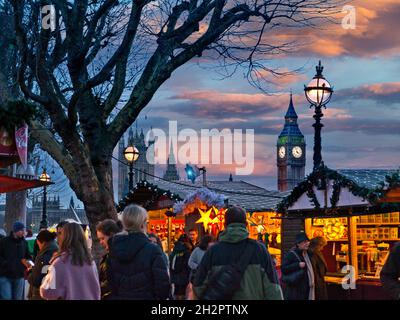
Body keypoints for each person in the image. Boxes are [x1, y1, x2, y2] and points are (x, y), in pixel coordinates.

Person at [193, 206, 283, 300]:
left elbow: (198, 286)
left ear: (225, 225)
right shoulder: (259, 250)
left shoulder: (213, 251)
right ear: (246, 224)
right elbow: (273, 289)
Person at [107, 204, 170, 300]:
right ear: (142, 224)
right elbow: (162, 285)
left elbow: (111, 283)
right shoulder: (153, 250)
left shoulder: (114, 249)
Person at [40, 222, 100, 300]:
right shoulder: (90, 262)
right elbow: (96, 291)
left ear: (65, 238)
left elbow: (47, 292)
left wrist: (47, 278)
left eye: (60, 234)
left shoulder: (60, 262)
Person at [0, 221, 32, 300]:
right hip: (5, 275)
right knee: (6, 297)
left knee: (17, 298)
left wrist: (28, 262)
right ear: (16, 231)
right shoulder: (4, 241)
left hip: (19, 275)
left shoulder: (24, 243)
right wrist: (6, 265)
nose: (24, 232)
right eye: (22, 230)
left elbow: (27, 256)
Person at [281, 231, 315, 300]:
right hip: (295, 291)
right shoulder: (291, 254)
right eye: (304, 242)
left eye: (308, 241)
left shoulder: (308, 254)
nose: (307, 243)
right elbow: (284, 269)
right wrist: (297, 265)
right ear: (298, 244)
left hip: (307, 290)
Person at [27, 230, 58, 300]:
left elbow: (36, 280)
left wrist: (30, 272)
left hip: (41, 294)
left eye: (38, 244)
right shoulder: (58, 251)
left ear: (42, 242)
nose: (39, 247)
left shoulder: (43, 256)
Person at [96, 219, 121, 300]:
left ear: (111, 235)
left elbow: (110, 283)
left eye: (102, 238)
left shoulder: (116, 256)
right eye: (99, 239)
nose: (101, 242)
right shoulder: (107, 256)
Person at [170, 234, 192, 300]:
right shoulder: (187, 251)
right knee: (183, 293)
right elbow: (188, 265)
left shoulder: (175, 249)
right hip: (184, 275)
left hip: (175, 275)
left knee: (176, 292)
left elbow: (171, 261)